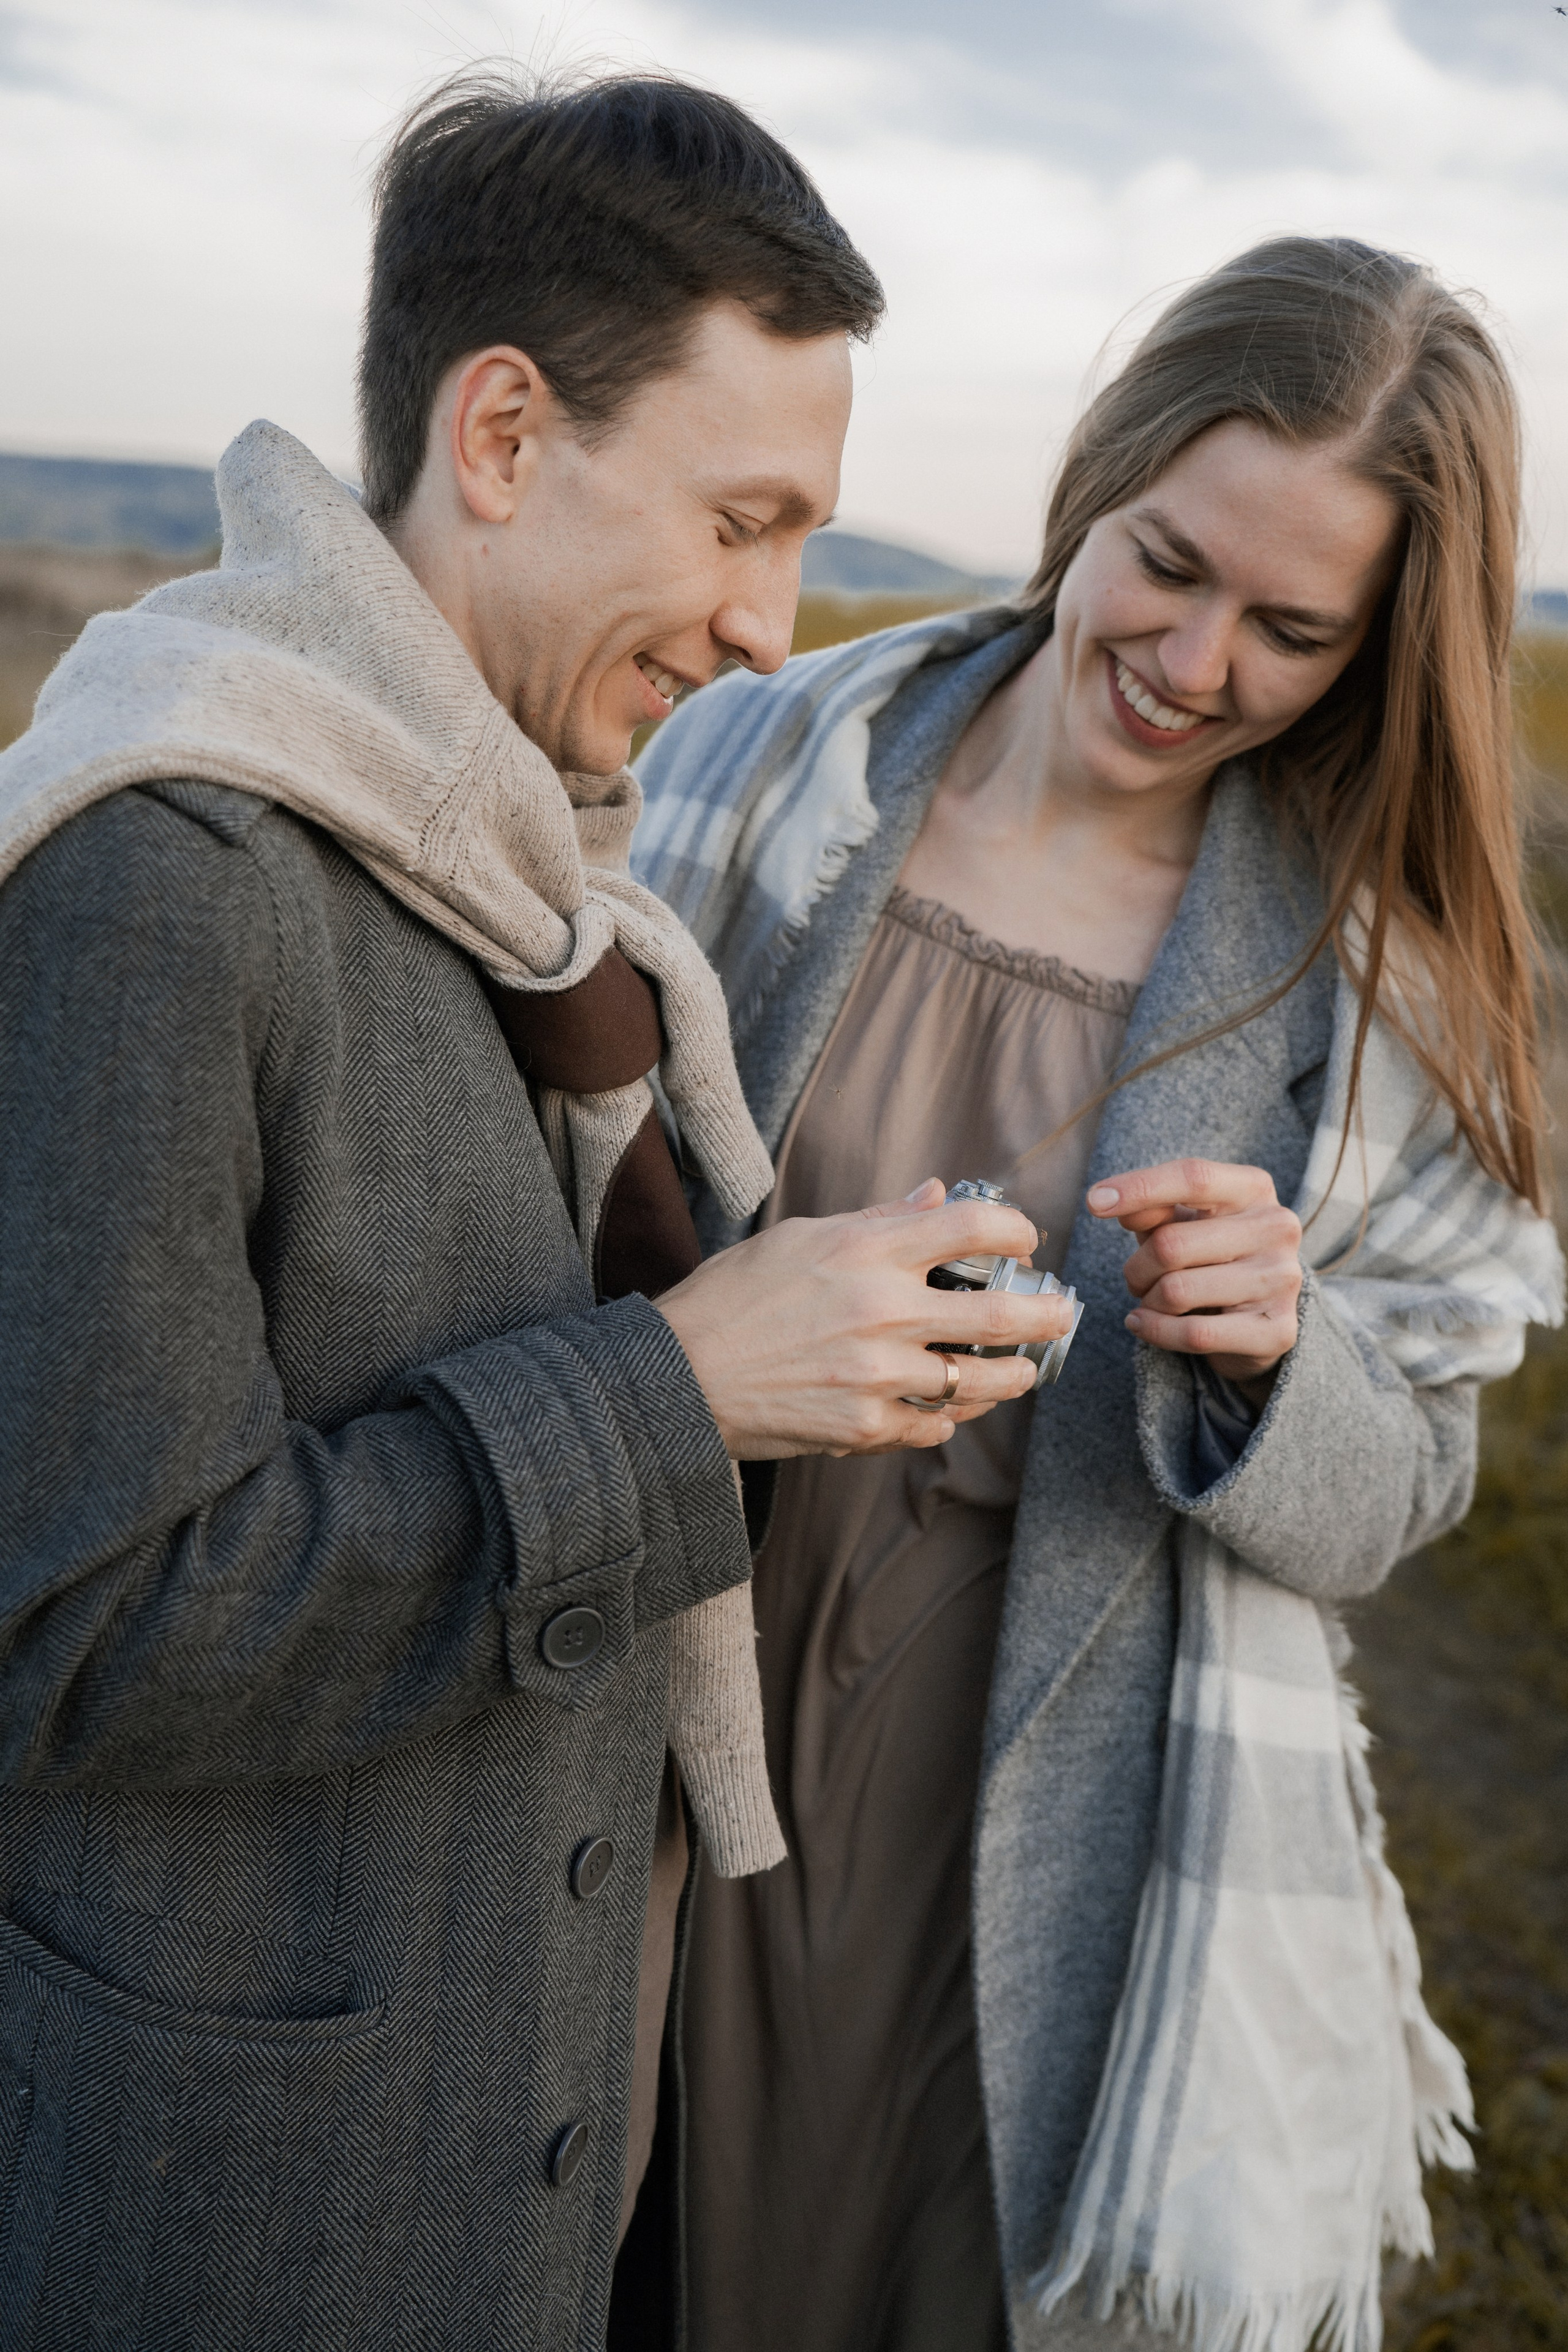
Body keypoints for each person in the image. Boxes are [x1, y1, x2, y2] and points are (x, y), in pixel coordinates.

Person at [0, 72, 1072, 2352]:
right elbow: (66, 1629)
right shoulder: (159, 881)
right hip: (246, 2226)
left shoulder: (541, 885)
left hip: (525, 2152)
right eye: (742, 520)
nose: (776, 624)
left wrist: (827, 1344)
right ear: (502, 436)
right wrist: (677, 1388)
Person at [634, 236, 1565, 2351]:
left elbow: (1400, 1484)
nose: (1195, 656)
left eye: (1293, 631)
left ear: (1376, 650)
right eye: (1168, 563)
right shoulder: (774, 760)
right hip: (670, 1698)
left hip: (1029, 1800)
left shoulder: (1365, 992)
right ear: (1104, 479)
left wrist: (1278, 1354)